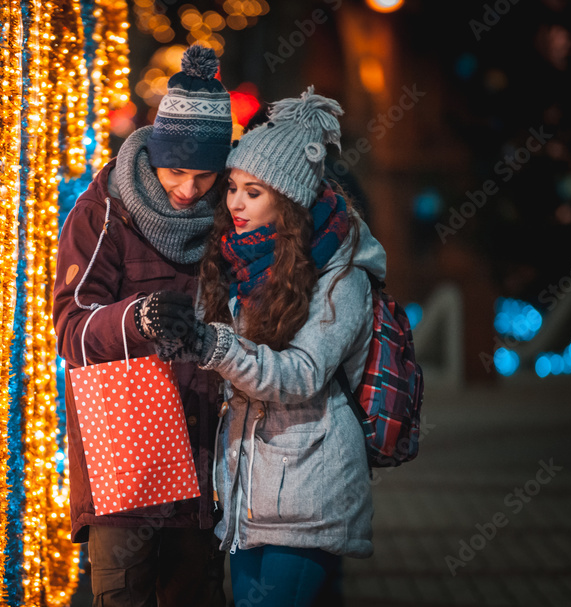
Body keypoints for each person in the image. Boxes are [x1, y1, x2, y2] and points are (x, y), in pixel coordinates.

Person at [153, 86, 387, 605]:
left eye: (253, 191)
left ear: (289, 198)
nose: (234, 201)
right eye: (233, 187)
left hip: (308, 492)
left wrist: (212, 345)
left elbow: (300, 374)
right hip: (247, 496)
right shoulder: (242, 265)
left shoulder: (340, 276)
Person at [53, 44, 231, 607]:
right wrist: (138, 318)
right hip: (128, 460)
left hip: (206, 457)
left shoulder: (231, 211)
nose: (188, 189)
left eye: (204, 176)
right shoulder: (104, 210)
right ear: (154, 153)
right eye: (176, 170)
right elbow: (70, 329)